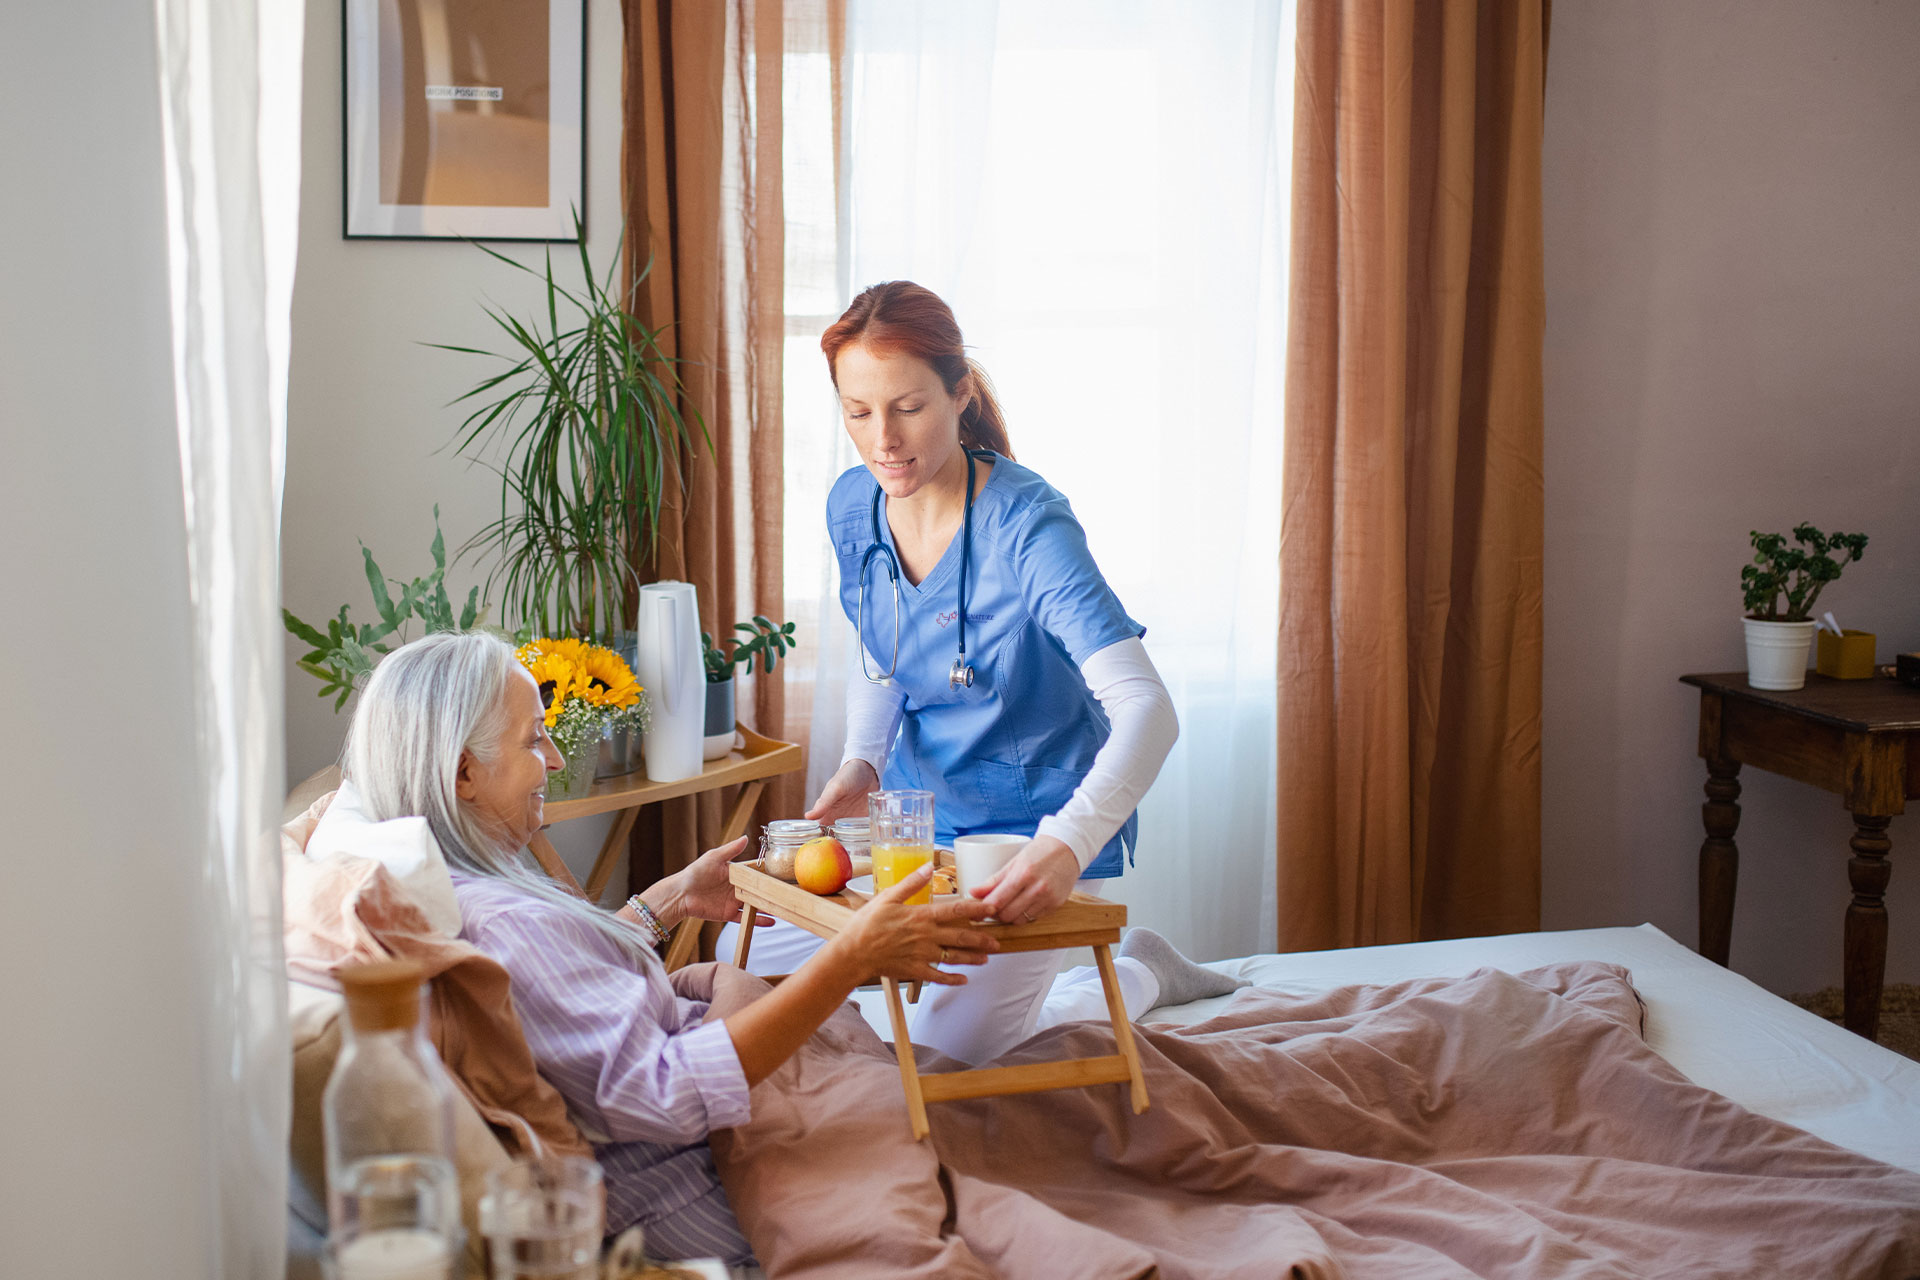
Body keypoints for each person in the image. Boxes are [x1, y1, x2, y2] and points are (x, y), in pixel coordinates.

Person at [343, 630, 1001, 1264]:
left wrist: (669, 899)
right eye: (533, 738)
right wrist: (850, 958)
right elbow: (667, 1094)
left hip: (711, 1138)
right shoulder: (503, 922)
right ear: (464, 774)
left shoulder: (471, 889)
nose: (555, 758)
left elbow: (560, 989)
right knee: (1010, 1144)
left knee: (997, 1103)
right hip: (705, 1176)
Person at [718, 280, 1244, 1064]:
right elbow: (882, 652)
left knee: (939, 1058)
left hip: (1030, 838)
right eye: (858, 413)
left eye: (908, 407)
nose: (883, 441)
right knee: (741, 978)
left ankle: (1141, 973)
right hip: (918, 835)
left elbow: (1148, 709)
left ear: (960, 393)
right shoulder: (853, 505)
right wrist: (862, 761)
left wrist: (1066, 844)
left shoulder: (1029, 527)